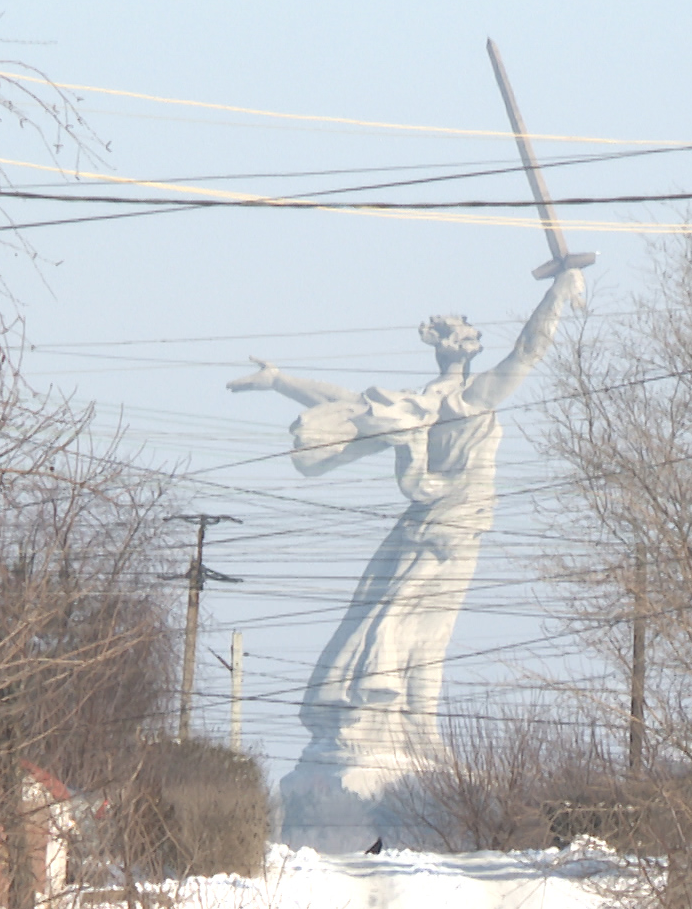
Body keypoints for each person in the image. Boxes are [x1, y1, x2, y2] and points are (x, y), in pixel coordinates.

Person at [227, 269, 583, 769]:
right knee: (408, 622)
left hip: (434, 522)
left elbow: (344, 404)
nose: (475, 337)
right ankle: (389, 721)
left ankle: (409, 728)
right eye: (468, 334)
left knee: (408, 623)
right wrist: (558, 295)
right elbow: (527, 352)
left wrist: (281, 381)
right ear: (460, 348)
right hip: (453, 525)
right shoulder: (465, 399)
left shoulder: (422, 402)